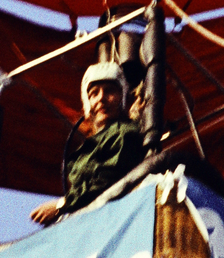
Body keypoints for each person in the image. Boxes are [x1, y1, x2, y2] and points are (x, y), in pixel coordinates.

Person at [30, 62, 144, 224]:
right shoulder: (87, 149)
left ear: (122, 97)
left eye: (110, 91)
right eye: (94, 93)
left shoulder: (126, 133)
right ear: (87, 102)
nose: (101, 98)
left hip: (112, 219)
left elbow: (108, 180)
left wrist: (62, 205)